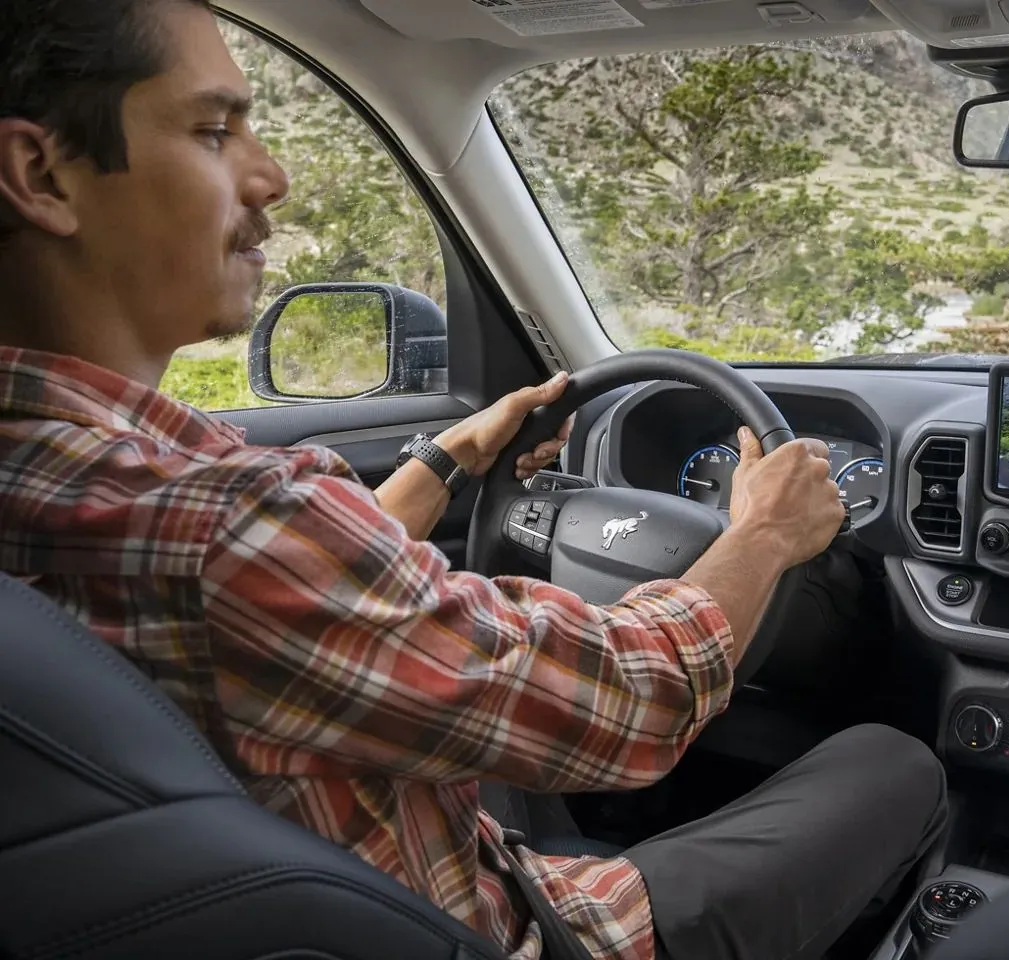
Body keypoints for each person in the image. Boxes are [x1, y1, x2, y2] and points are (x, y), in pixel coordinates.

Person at [0, 4, 948, 960]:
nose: (271, 175)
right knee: (896, 762)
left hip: (302, 902)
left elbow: (289, 607)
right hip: (494, 934)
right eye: (212, 131)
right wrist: (762, 537)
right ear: (40, 175)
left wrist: (445, 464)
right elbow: (627, 707)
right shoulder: (222, 526)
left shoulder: (97, 488)